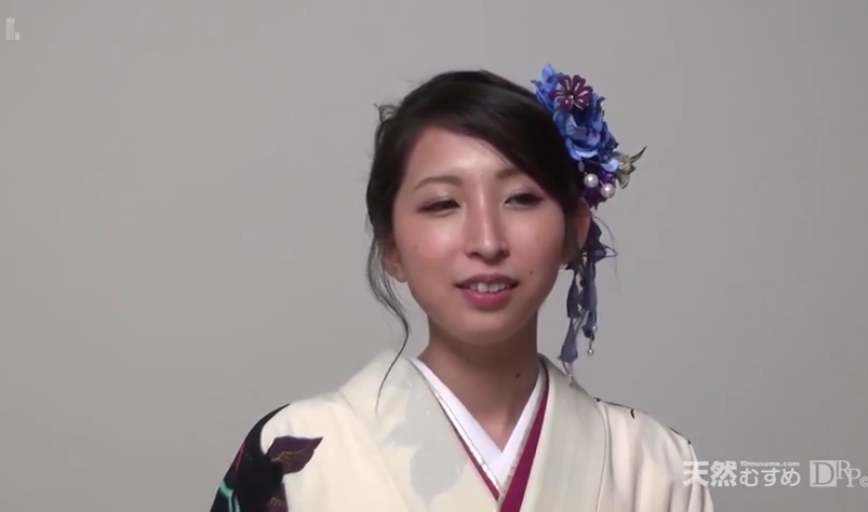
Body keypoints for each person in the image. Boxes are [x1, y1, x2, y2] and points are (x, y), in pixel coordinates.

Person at [208, 65, 714, 512]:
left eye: (520, 198)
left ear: (573, 230)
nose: (487, 241)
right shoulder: (291, 456)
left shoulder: (657, 465)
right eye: (442, 204)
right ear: (392, 247)